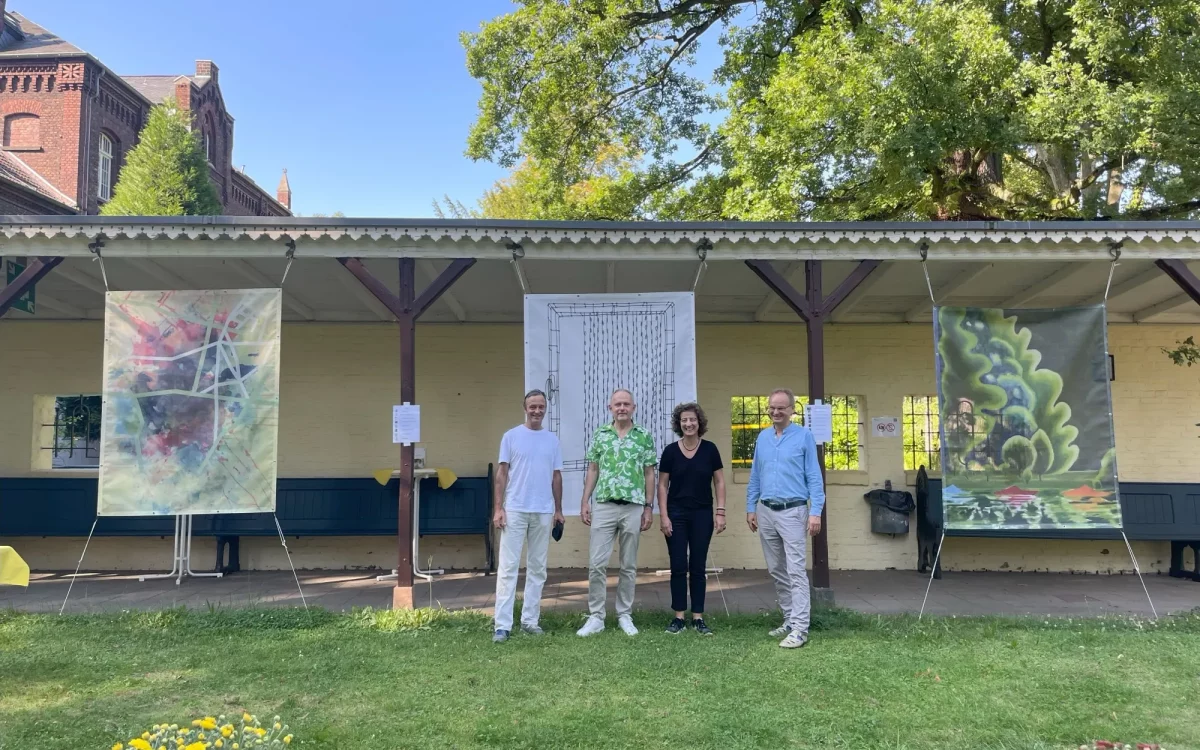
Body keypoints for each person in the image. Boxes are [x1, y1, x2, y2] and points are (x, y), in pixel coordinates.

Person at [745, 388, 826, 649]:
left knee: (795, 571)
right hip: (766, 511)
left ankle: (801, 629)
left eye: (781, 408)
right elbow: (756, 474)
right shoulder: (763, 438)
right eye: (772, 408)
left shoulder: (804, 436)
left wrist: (816, 512)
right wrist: (751, 506)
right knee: (777, 570)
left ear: (792, 409)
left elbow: (814, 477)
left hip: (794, 512)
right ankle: (789, 620)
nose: (776, 412)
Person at [576, 388, 657, 637]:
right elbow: (593, 469)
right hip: (604, 504)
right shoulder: (601, 434)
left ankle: (624, 615)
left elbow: (649, 473)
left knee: (629, 565)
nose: (622, 408)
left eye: (626, 404)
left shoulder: (643, 436)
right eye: (617, 404)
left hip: (633, 506)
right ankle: (596, 617)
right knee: (596, 564)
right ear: (610, 408)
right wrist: (584, 500)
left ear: (633, 408)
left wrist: (648, 507)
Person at [491, 389, 564, 643]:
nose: (537, 411)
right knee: (508, 568)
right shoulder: (511, 437)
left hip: (543, 511)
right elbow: (502, 474)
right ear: (525, 408)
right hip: (515, 509)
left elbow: (556, 476)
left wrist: (559, 510)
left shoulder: (552, 440)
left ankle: (530, 621)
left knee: (537, 569)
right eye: (532, 406)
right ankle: (502, 625)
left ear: (545, 409)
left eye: (541, 406)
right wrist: (498, 508)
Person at [657, 402, 726, 635]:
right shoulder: (670, 451)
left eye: (692, 420)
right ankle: (678, 617)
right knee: (678, 566)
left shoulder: (710, 450)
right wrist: (664, 516)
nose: (688, 424)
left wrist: (721, 511)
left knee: (697, 566)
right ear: (679, 424)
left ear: (699, 423)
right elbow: (662, 485)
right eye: (684, 420)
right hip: (675, 515)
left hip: (702, 514)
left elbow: (719, 481)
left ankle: (697, 617)